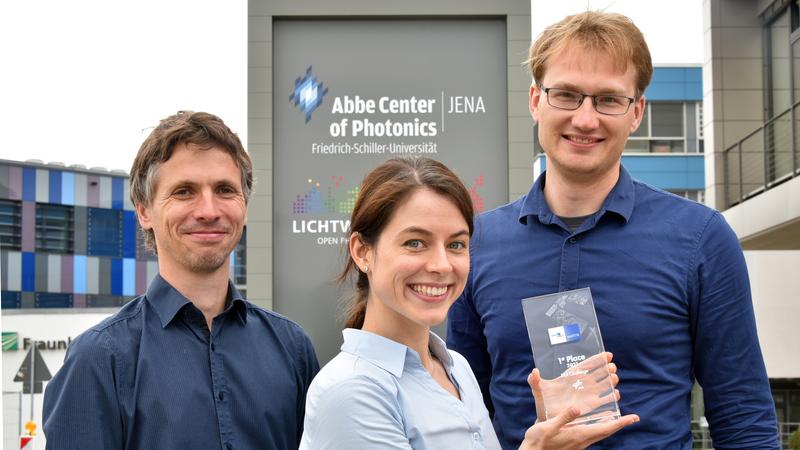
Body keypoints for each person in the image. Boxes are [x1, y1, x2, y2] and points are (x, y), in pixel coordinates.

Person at [447, 11, 779, 450]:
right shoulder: (478, 242)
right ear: (534, 100)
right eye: (566, 95)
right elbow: (464, 417)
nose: (585, 120)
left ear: (636, 111)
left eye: (608, 99)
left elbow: (743, 414)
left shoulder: (700, 238)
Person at [300, 157, 639, 450]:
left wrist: (549, 431)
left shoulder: (456, 368)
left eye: (457, 245)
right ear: (362, 252)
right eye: (415, 243)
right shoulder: (351, 391)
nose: (441, 265)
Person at [43, 111, 319, 449]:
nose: (208, 210)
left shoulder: (292, 348)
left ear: (245, 207)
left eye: (224, 190)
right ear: (144, 211)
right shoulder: (100, 358)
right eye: (185, 191)